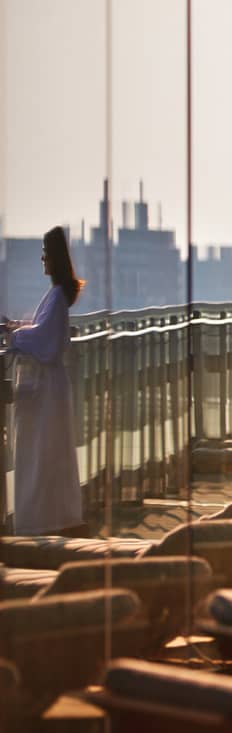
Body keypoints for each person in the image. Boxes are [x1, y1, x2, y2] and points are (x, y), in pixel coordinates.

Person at [3, 226, 86, 535]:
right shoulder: (57, 296)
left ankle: (41, 520)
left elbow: (45, 342)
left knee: (42, 456)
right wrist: (21, 328)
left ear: (54, 257)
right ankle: (50, 517)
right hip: (52, 390)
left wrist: (14, 333)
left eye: (45, 253)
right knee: (48, 455)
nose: (42, 259)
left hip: (46, 392)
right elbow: (43, 332)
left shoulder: (57, 296)